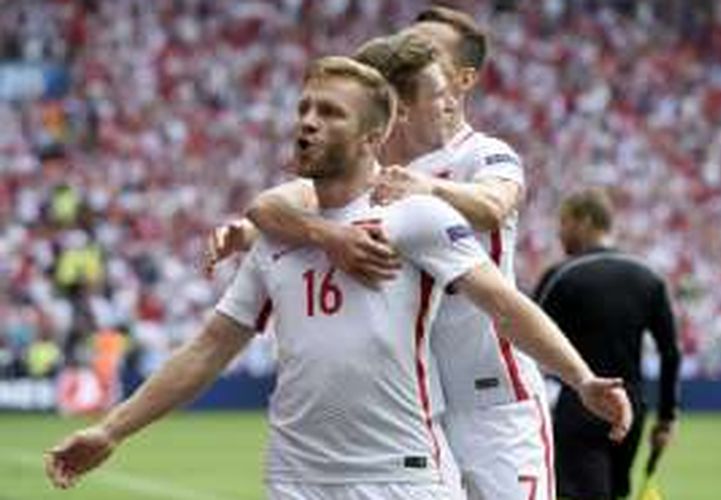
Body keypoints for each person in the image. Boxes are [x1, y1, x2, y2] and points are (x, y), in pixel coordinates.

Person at [46, 56, 631, 500]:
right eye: (304, 108)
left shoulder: (416, 217)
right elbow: (208, 349)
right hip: (296, 477)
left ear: (374, 138)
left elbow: (504, 305)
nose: (307, 123)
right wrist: (111, 430)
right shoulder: (278, 233)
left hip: (402, 475)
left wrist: (580, 379)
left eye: (329, 113)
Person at [216, 8, 564, 498]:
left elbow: (493, 205)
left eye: (430, 50)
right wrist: (254, 232)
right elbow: (275, 203)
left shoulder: (483, 153)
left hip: (494, 396)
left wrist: (425, 188)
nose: (413, 53)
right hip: (422, 406)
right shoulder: (371, 166)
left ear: (458, 80)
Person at [533, 188, 681, 500]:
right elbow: (670, 352)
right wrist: (666, 419)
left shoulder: (563, 275)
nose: (560, 232)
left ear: (585, 221)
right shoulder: (648, 277)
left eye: (565, 222)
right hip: (630, 410)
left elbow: (525, 338)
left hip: (578, 406)